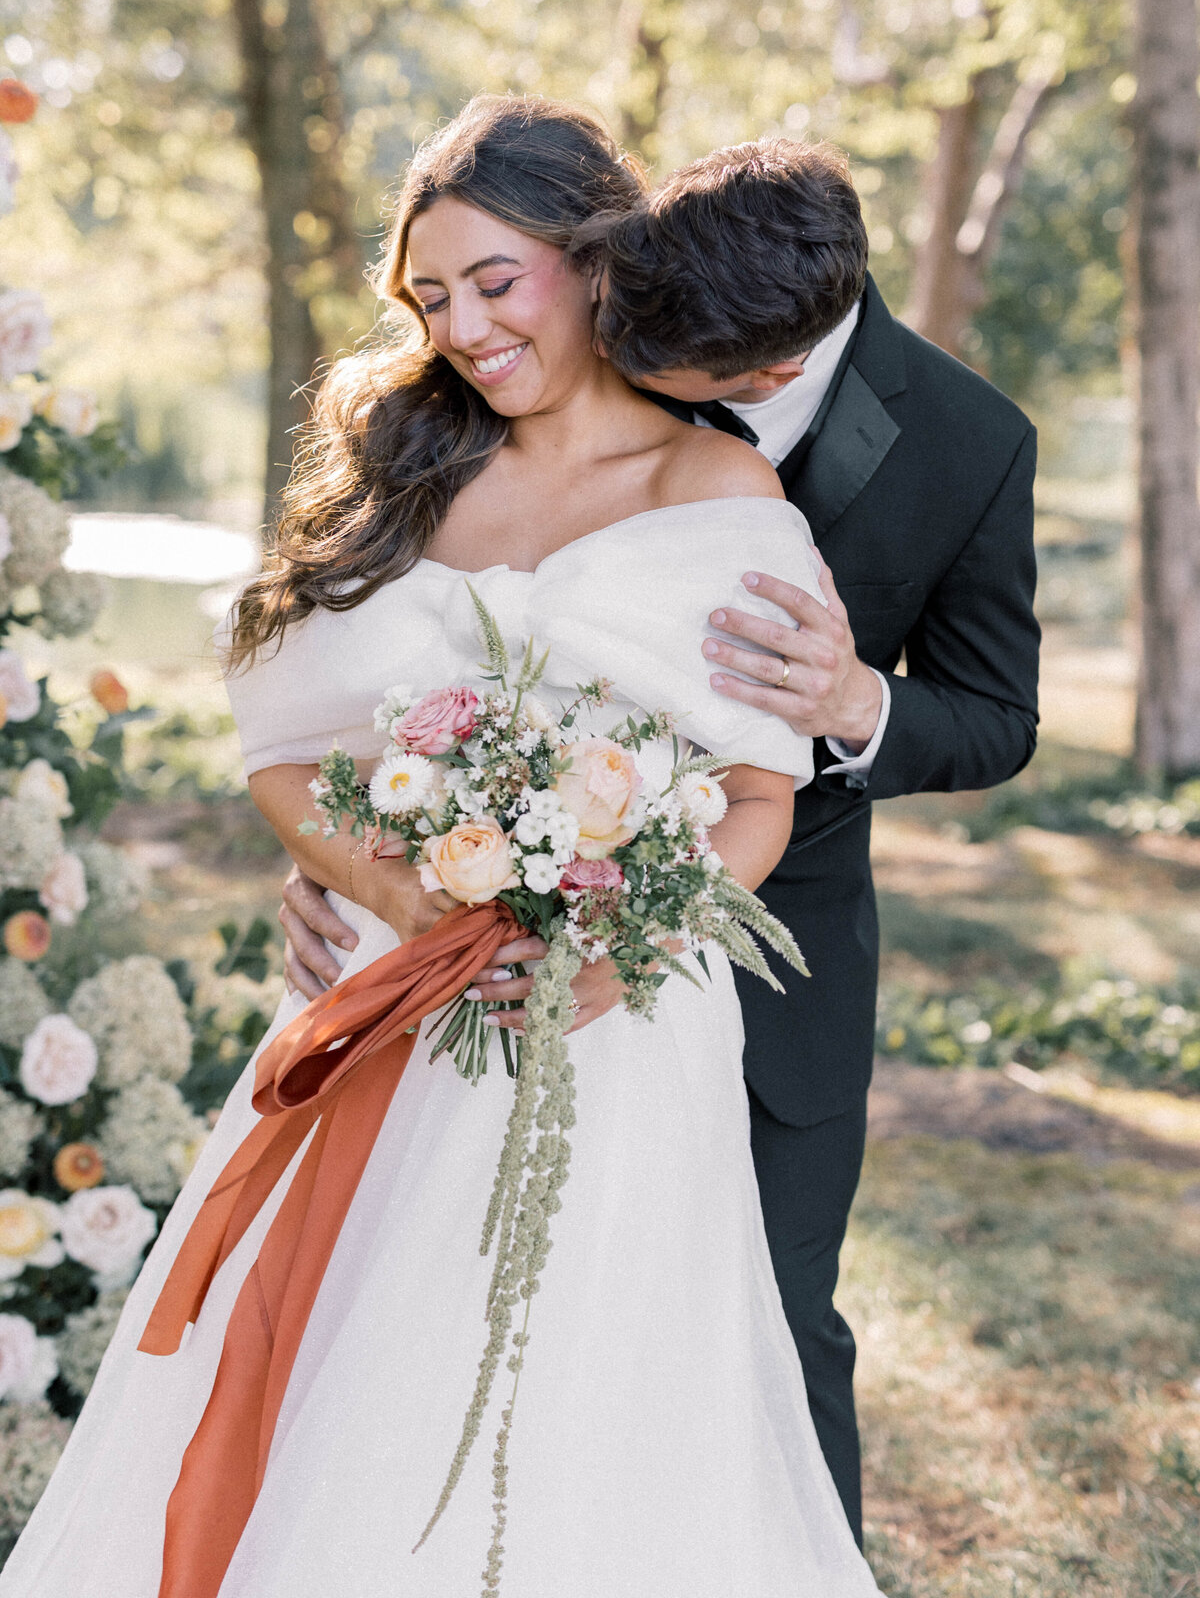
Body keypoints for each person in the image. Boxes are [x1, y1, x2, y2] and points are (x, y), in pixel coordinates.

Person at [0, 96, 884, 1597]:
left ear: (596, 258)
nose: (463, 329)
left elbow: (757, 800)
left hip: (615, 1034)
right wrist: (388, 885)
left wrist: (629, 946)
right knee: (347, 1376)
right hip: (386, 1004)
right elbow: (283, 759)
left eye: (494, 281)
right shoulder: (399, 469)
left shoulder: (724, 496)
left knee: (584, 1401)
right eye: (428, 298)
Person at [281, 133, 1040, 1546]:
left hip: (781, 923)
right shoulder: (658, 279)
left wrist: (857, 700)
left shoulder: (971, 441)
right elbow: (453, 630)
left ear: (760, 373)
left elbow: (1000, 719)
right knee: (454, 1290)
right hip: (497, 904)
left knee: (769, 1306)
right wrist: (378, 837)